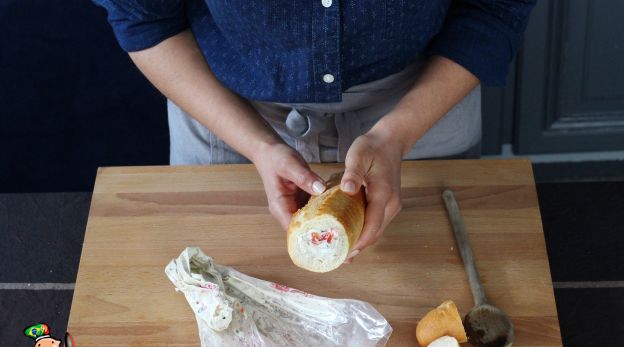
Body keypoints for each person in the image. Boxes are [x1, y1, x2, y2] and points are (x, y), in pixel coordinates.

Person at [94, 1, 535, 260]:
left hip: (420, 101)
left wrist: (398, 133)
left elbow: (493, 8)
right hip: (225, 110)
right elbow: (143, 17)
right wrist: (258, 145)